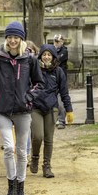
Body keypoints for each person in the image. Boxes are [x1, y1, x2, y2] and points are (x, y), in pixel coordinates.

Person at [0, 21, 44, 195]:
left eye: (16, 37)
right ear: (6, 38)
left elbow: (39, 83)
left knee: (22, 151)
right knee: (9, 148)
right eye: (10, 37)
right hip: (3, 111)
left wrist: (29, 97)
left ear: (21, 39)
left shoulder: (30, 59)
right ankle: (11, 187)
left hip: (23, 111)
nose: (13, 40)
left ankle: (21, 188)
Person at [30, 44, 74, 178]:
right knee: (38, 136)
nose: (46, 57)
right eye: (44, 54)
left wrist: (69, 110)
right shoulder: (34, 69)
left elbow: (64, 92)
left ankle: (47, 166)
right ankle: (35, 157)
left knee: (49, 138)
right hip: (36, 107)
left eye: (49, 55)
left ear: (53, 57)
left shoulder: (58, 72)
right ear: (40, 56)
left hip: (51, 107)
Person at [53, 34, 69, 129]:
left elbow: (57, 60)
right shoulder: (52, 50)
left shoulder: (64, 51)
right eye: (55, 41)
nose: (55, 43)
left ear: (62, 42)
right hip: (53, 78)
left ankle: (62, 121)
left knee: (61, 100)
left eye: (57, 42)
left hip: (61, 79)